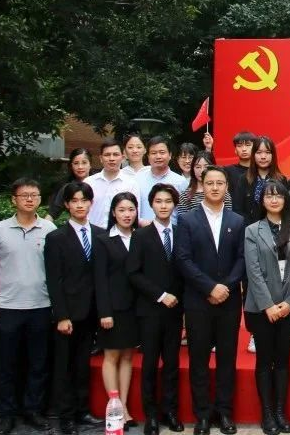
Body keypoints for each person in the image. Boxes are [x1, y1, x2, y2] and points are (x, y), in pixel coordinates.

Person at [174, 166, 246, 435]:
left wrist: (225, 287)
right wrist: (209, 287)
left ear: (227, 187)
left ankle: (225, 412)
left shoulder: (237, 220)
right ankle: (202, 414)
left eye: (220, 183)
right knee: (199, 359)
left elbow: (242, 259)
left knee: (227, 359)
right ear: (202, 186)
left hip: (228, 300)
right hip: (198, 300)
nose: (215, 188)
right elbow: (183, 259)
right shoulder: (187, 220)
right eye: (210, 183)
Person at [0, 178, 57, 435]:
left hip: (41, 305)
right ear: (13, 200)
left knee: (38, 363)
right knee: (6, 364)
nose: (29, 199)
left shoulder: (49, 228)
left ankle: (33, 409)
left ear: (40, 199)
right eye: (24, 195)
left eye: (34, 195)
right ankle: (6, 413)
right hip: (8, 307)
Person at [245, 181, 290, 435]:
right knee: (264, 360)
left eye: (278, 196)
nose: (274, 200)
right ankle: (267, 414)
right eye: (269, 196)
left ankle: (281, 412)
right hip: (261, 308)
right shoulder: (252, 230)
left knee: (283, 360)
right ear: (262, 201)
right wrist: (268, 306)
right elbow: (253, 271)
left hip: (288, 307)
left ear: (285, 200)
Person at [43, 181, 105, 435]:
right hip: (68, 314)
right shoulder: (56, 238)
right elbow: (53, 279)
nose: (80, 205)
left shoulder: (101, 234)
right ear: (67, 205)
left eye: (84, 200)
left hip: (92, 312)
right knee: (64, 366)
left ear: (91, 203)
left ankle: (83, 410)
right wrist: (61, 315)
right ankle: (66, 416)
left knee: (82, 364)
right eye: (75, 201)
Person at [126, 184, 185, 435]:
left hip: (175, 310)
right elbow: (133, 273)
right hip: (150, 309)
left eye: (168, 201)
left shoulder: (182, 232)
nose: (163, 206)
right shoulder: (140, 235)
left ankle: (170, 411)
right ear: (151, 204)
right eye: (159, 201)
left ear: (175, 205)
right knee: (149, 363)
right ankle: (150, 415)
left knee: (171, 363)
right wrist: (160, 295)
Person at [96, 192, 141, 428]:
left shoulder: (140, 237)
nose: (127, 214)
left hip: (135, 307)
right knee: (111, 356)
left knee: (127, 356)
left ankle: (123, 405)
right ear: (113, 213)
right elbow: (100, 279)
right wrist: (104, 312)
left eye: (131, 209)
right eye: (122, 210)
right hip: (112, 309)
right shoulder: (104, 240)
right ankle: (114, 407)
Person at [85, 139, 143, 228]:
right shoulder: (89, 182)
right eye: (107, 155)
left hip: (120, 234)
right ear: (101, 158)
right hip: (93, 233)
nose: (111, 159)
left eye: (115, 154)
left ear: (122, 158)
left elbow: (135, 214)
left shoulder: (131, 184)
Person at [137, 137, 190, 221]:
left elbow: (186, 213)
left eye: (162, 152)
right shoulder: (138, 179)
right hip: (143, 228)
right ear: (148, 156)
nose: (158, 156)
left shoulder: (181, 182)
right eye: (153, 153)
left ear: (170, 155)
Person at [235, 136, 285, 224]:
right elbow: (238, 209)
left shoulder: (281, 180)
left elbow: (286, 209)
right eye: (259, 152)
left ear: (273, 155)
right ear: (253, 155)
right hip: (249, 228)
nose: (263, 157)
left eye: (267, 152)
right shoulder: (244, 179)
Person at [179, 150, 232, 215]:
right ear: (193, 169)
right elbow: (183, 219)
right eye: (198, 167)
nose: (202, 171)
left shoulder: (222, 193)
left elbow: (228, 217)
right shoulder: (185, 196)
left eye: (206, 167)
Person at [48, 148, 93, 219]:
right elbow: (53, 213)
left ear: (90, 165)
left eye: (84, 163)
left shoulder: (99, 184)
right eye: (76, 163)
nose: (80, 167)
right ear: (71, 166)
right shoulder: (66, 187)